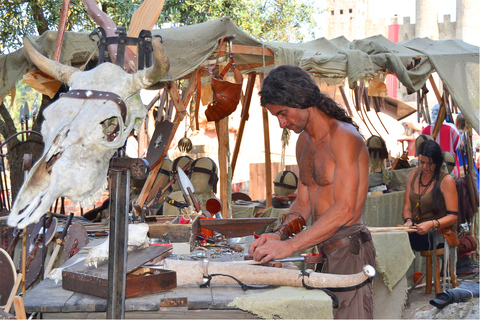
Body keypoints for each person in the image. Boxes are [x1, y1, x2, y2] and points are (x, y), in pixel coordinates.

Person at [248, 65, 375, 319]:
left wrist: (290, 246)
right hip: (321, 251)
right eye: (276, 116)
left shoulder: (344, 137)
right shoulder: (303, 142)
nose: (282, 123)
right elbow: (303, 205)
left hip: (348, 251)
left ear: (301, 98)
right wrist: (279, 235)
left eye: (283, 113)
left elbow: (345, 210)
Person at [402, 140, 458, 251]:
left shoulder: (446, 180)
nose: (425, 166)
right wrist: (408, 221)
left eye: (430, 163)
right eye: (422, 162)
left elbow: (453, 216)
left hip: (438, 233)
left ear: (437, 162)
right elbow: (407, 208)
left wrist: (431, 224)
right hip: (417, 231)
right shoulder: (412, 175)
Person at [421, 104, 461, 176]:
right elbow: (458, 146)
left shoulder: (425, 129)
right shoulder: (451, 128)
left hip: (429, 168)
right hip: (450, 167)